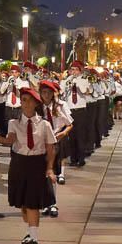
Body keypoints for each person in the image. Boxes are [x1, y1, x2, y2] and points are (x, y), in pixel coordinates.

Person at [0, 88, 57, 244]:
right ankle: (30, 232)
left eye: (29, 100)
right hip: (19, 164)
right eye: (23, 100)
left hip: (36, 164)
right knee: (23, 203)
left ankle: (34, 237)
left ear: (36, 103)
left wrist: (50, 169)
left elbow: (50, 148)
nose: (25, 103)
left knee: (32, 202)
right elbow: (10, 140)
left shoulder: (44, 124)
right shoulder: (13, 123)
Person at [39, 80, 73, 214]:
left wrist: (63, 133)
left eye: (49, 92)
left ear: (53, 93)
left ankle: (53, 203)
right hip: (41, 141)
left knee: (53, 172)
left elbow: (70, 123)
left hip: (56, 139)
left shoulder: (60, 106)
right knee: (43, 172)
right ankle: (46, 202)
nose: (46, 95)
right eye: (43, 92)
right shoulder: (37, 107)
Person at [61, 61, 89, 168]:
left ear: (80, 70)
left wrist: (77, 83)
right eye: (72, 69)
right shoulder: (67, 80)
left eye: (76, 70)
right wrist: (66, 82)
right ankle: (73, 158)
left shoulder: (84, 80)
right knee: (71, 136)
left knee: (80, 135)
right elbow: (62, 93)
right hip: (70, 110)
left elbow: (85, 91)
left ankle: (81, 159)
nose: (73, 72)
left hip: (80, 109)